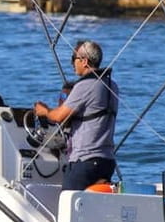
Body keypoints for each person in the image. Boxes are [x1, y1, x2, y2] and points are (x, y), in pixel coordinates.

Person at [33, 40, 119, 190]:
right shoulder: (112, 86)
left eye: (74, 58)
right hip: (107, 161)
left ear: (84, 61)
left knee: (69, 204)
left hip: (85, 161)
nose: (72, 63)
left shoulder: (85, 85)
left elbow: (59, 116)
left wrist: (44, 111)